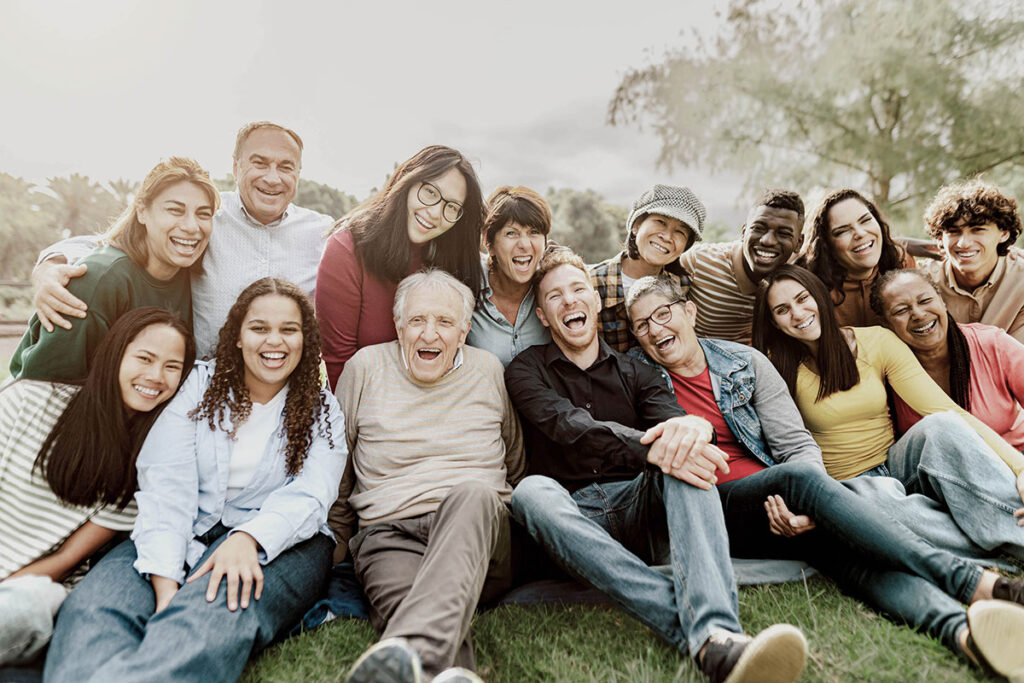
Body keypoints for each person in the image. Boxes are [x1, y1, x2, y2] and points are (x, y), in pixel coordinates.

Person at [626, 273, 1024, 676]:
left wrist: (808, 509)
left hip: (779, 503)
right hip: (714, 504)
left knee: (854, 561)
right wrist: (804, 488)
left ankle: (964, 636)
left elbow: (795, 445)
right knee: (799, 480)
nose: (656, 329)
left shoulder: (744, 362)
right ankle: (975, 583)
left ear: (689, 312)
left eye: (663, 313)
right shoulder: (636, 379)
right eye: (642, 325)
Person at [506, 247, 809, 683]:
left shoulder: (639, 373)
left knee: (687, 462)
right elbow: (567, 425)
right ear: (544, 315)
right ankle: (701, 632)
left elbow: (677, 426)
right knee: (530, 491)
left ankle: (717, 633)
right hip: (572, 514)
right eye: (555, 297)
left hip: (638, 507)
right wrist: (650, 448)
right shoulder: (524, 370)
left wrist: (689, 434)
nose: (569, 301)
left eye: (578, 290)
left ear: (595, 301)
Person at [44, 278, 346, 682]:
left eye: (288, 329)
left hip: (284, 542)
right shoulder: (199, 387)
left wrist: (248, 538)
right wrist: (166, 585)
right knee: (96, 608)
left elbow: (312, 495)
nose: (274, 341)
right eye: (259, 328)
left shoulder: (321, 409)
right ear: (237, 336)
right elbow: (167, 484)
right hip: (183, 527)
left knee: (209, 613)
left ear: (305, 340)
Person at [752, 265, 1024, 561]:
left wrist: (1021, 468)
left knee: (942, 424)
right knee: (882, 504)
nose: (798, 313)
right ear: (775, 323)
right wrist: (815, 503)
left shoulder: (877, 341)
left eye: (803, 298)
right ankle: (989, 542)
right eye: (782, 310)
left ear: (819, 295)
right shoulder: (773, 368)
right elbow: (782, 447)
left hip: (897, 465)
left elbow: (946, 409)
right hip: (846, 487)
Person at [330, 270, 524, 683]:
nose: (429, 334)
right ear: (399, 326)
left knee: (471, 493)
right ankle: (442, 671)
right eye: (417, 321)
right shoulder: (364, 369)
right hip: (389, 534)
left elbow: (515, 459)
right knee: (414, 608)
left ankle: (409, 655)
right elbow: (337, 465)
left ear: (465, 329)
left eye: (444, 322)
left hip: (478, 529)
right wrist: (337, 540)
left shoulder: (488, 370)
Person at [30, 121, 333, 358]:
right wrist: (48, 266)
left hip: (283, 396)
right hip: (198, 392)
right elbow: (113, 243)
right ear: (237, 167)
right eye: (260, 163)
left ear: (298, 174)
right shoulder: (204, 217)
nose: (272, 177)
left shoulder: (323, 234)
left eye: (285, 167)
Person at [0, 308, 194, 667]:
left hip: (27, 593)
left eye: (172, 366)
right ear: (115, 354)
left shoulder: (142, 469)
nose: (155, 376)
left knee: (26, 605)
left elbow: (64, 560)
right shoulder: (28, 401)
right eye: (145, 358)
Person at [11, 157, 217, 381]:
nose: (191, 226)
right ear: (142, 211)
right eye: (175, 210)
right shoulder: (99, 280)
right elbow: (45, 387)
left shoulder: (195, 273)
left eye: (203, 214)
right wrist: (47, 266)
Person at [316, 145, 485, 390]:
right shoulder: (347, 250)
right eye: (429, 192)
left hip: (445, 401)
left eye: (451, 207)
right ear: (407, 182)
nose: (436, 213)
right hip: (372, 407)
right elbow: (339, 364)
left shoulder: (452, 256)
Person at [590, 184, 704, 352]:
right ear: (636, 226)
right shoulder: (592, 282)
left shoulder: (682, 286)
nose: (666, 236)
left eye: (680, 232)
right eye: (660, 222)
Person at [680, 189, 803, 344]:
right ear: (744, 232)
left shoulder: (798, 283)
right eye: (759, 228)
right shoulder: (698, 262)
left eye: (784, 233)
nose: (768, 241)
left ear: (799, 243)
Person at [918, 178, 1024, 343]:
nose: (963, 243)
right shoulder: (923, 281)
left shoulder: (1020, 279)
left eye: (978, 230)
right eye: (954, 231)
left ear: (1004, 233)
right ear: (940, 237)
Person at [798, 188, 915, 327]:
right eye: (842, 231)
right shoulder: (808, 288)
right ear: (825, 244)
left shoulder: (902, 262)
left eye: (865, 220)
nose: (860, 233)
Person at [465, 186, 552, 366]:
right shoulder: (466, 282)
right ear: (489, 245)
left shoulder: (553, 283)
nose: (525, 245)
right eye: (511, 233)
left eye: (534, 232)